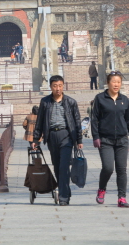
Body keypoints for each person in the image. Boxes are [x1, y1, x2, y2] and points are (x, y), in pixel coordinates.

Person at [33, 75, 82, 206]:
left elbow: (77, 122)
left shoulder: (70, 102)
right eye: (55, 86)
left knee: (64, 166)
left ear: (63, 86)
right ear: (50, 87)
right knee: (57, 166)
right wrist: (35, 139)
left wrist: (79, 140)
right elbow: (40, 121)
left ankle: (64, 196)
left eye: (60, 86)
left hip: (66, 135)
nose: (58, 88)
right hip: (51, 136)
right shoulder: (45, 102)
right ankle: (65, 189)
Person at [91, 72, 129, 208]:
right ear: (108, 83)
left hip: (122, 140)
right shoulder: (100, 98)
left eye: (119, 82)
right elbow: (95, 119)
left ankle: (121, 197)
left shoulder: (124, 99)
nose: (116, 84)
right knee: (108, 168)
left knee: (121, 169)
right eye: (114, 81)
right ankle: (102, 189)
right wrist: (96, 137)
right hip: (105, 139)